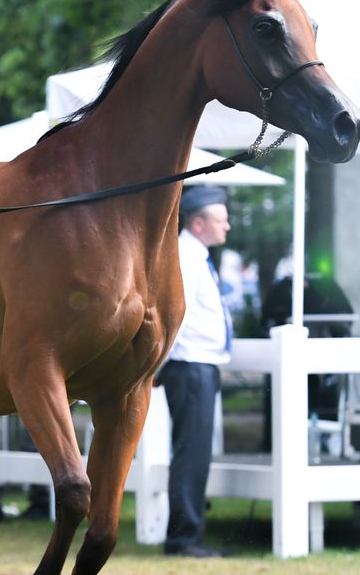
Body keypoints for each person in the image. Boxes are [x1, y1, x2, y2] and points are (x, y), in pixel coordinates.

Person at [158, 186, 232, 558]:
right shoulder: (187, 255)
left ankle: (186, 534)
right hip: (190, 366)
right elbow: (175, 316)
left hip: (199, 364)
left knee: (195, 451)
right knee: (191, 453)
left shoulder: (196, 254)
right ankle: (183, 537)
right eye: (221, 220)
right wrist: (158, 364)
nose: (228, 226)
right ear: (199, 223)